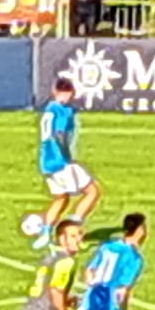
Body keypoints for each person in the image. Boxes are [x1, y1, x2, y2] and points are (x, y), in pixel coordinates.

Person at [28, 78, 95, 241]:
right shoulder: (61, 111)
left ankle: (45, 233)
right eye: (63, 93)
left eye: (68, 93)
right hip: (61, 161)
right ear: (55, 92)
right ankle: (73, 228)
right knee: (92, 192)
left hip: (47, 163)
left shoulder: (49, 109)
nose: (66, 96)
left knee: (62, 198)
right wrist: (67, 158)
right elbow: (59, 134)